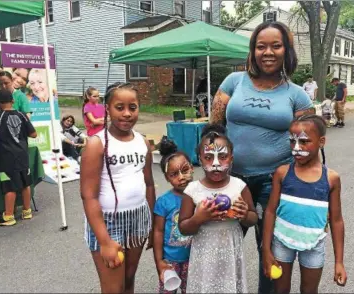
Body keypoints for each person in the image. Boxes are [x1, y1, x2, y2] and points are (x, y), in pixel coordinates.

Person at [210, 21, 314, 293]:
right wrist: (212, 175)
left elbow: (308, 145)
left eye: (276, 46)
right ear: (253, 50)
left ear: (286, 50)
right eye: (261, 46)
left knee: (270, 250)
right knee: (221, 245)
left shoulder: (297, 95)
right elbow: (214, 131)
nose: (268, 52)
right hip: (231, 181)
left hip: (275, 182)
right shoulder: (234, 82)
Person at [80, 82, 156, 293]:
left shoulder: (142, 142)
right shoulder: (97, 144)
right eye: (119, 107)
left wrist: (150, 223)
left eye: (133, 107)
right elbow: (88, 196)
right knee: (114, 287)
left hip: (138, 218)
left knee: (129, 280)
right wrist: (104, 241)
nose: (126, 114)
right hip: (107, 222)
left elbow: (149, 183)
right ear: (107, 109)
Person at [262, 115, 347, 293]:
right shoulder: (282, 173)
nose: (297, 148)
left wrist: (339, 261)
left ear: (321, 141)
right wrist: (266, 250)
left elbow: (337, 220)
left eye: (304, 142)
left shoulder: (331, 179)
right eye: (292, 142)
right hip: (282, 242)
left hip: (313, 244)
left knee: (309, 290)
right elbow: (270, 212)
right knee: (280, 289)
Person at [179, 124, 258, 293]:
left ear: (231, 158)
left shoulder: (239, 186)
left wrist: (244, 214)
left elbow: (253, 218)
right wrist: (198, 218)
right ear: (199, 159)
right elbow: (183, 228)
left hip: (230, 251)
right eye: (208, 157)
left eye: (222, 156)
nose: (216, 163)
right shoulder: (192, 190)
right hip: (204, 254)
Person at [153, 137, 194, 294]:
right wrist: (159, 262)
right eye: (174, 174)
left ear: (191, 168)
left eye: (184, 170)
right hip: (170, 261)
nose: (181, 177)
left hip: (194, 258)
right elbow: (158, 232)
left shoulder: (199, 196)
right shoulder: (164, 202)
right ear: (167, 178)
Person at [0, 89, 37, 226]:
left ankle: (8, 216)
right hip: (23, 154)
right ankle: (27, 211)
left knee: (9, 186)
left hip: (7, 157)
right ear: (12, 101)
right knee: (25, 183)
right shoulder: (21, 114)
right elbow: (34, 134)